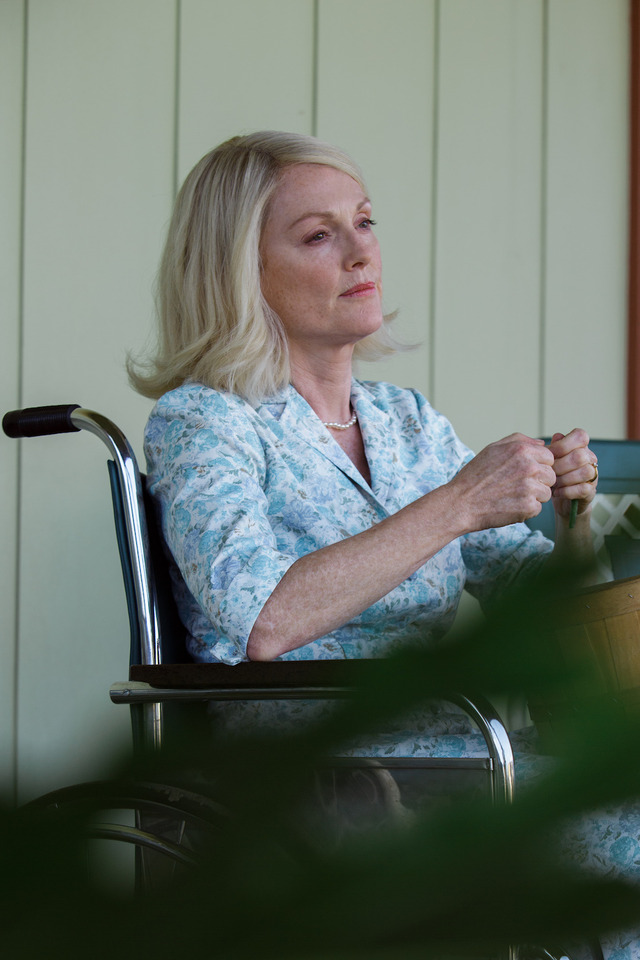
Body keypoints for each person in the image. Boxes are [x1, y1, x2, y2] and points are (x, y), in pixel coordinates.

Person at [130, 131, 635, 958]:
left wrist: (571, 518)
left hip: (463, 748)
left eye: (364, 222)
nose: (361, 251)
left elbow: (538, 607)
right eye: (318, 235)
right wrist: (458, 503)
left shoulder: (408, 422)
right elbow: (260, 616)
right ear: (240, 271)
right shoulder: (206, 422)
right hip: (310, 773)